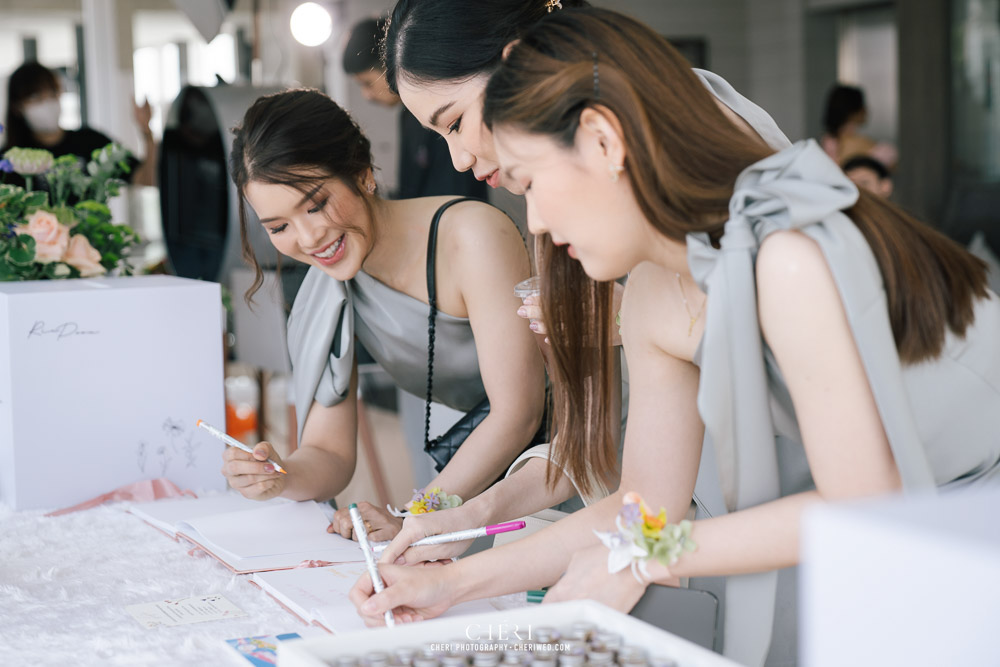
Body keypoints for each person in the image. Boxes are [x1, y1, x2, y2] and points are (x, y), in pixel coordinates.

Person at [350, 9, 1000, 667]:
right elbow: (639, 508)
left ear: (602, 140)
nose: (537, 219)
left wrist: (638, 557)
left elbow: (861, 498)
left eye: (529, 184)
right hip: (908, 518)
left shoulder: (779, 255)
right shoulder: (653, 296)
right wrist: (449, 581)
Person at [371, 0, 790, 570]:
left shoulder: (689, 146)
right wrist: (462, 527)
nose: (461, 159)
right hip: (682, 522)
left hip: (785, 497)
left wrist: (625, 319)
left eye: (455, 121)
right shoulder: (557, 197)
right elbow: (600, 465)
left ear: (519, 62)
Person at [222, 89, 546, 542]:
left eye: (315, 204)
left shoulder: (471, 237)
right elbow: (329, 454)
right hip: (488, 477)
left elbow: (518, 412)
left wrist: (414, 514)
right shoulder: (328, 288)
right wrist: (280, 476)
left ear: (361, 174)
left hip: (575, 455)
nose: (309, 237)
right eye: (278, 227)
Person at [341, 17, 487, 201]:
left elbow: (456, 191)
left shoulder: (435, 113)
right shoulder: (407, 116)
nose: (367, 95)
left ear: (389, 66)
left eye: (367, 83)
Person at [2, 61, 156, 187]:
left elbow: (145, 180)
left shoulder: (90, 142)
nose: (47, 103)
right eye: (36, 97)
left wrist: (147, 133)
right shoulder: (9, 159)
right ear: (17, 106)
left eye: (52, 93)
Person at [820, 83, 897, 170]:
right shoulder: (855, 143)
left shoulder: (827, 142)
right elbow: (892, 163)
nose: (867, 109)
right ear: (853, 111)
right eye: (863, 104)